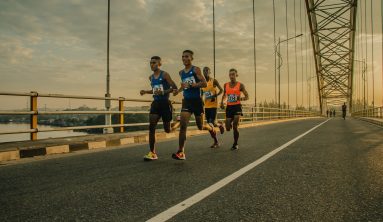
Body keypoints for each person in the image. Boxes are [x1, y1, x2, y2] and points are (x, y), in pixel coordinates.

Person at [172, 50, 218, 160]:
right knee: (183, 126)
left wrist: (194, 84)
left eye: (186, 56)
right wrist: (178, 91)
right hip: (187, 101)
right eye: (182, 56)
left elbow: (204, 83)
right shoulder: (181, 72)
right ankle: (181, 152)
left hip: (197, 101)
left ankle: (211, 127)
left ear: (191, 58)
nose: (184, 58)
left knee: (200, 126)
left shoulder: (195, 69)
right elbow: (184, 86)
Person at [140, 56, 177, 161]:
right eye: (150, 63)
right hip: (156, 104)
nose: (152, 64)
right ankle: (152, 153)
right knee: (151, 127)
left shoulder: (165, 75)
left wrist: (164, 92)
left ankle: (177, 123)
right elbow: (154, 90)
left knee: (168, 130)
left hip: (165, 103)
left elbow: (174, 88)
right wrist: (145, 91)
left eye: (154, 63)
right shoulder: (151, 77)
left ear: (159, 64)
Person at [220, 68, 249, 150]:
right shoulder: (226, 85)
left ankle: (235, 143)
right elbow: (224, 95)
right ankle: (226, 123)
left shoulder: (240, 85)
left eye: (233, 74)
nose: (231, 76)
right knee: (228, 128)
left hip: (237, 106)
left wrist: (241, 99)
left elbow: (247, 96)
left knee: (235, 126)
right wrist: (222, 102)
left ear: (236, 75)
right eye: (230, 74)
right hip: (229, 107)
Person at [201, 66, 225, 148]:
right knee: (210, 125)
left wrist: (215, 95)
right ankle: (216, 141)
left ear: (209, 72)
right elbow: (202, 94)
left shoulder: (213, 81)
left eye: (207, 71)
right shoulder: (202, 83)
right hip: (206, 106)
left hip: (214, 105)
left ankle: (220, 125)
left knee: (211, 123)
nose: (205, 72)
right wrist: (201, 101)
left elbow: (221, 90)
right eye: (204, 71)